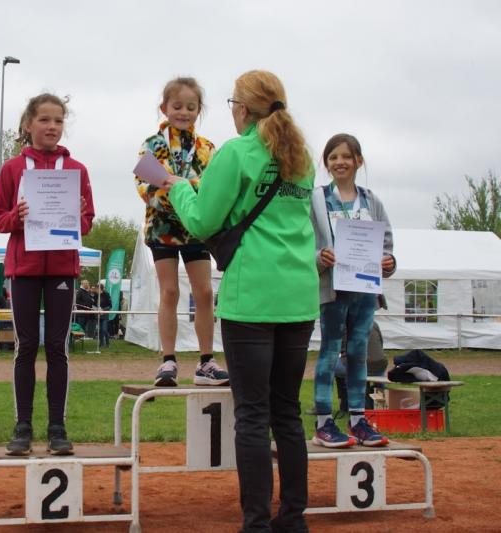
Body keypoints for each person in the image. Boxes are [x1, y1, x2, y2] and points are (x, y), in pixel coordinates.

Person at [166, 70, 319, 532]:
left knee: (252, 414)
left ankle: (256, 523)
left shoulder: (236, 152)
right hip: (298, 295)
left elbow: (202, 222)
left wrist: (176, 187)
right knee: (287, 413)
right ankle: (293, 518)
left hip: (251, 295)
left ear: (244, 109)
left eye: (233, 103)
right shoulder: (301, 156)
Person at [0, 93, 95, 456]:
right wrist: (16, 218)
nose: (52, 127)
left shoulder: (77, 169)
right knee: (25, 346)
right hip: (24, 268)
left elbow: (87, 224)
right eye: (45, 120)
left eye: (59, 121)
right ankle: (22, 427)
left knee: (57, 347)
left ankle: (57, 428)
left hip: (62, 268)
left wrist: (78, 215)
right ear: (28, 124)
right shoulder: (12, 169)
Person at [135, 76, 227, 388]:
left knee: (204, 292)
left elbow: (213, 187)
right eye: (177, 106)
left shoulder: (207, 148)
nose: (184, 112)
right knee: (170, 291)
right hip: (162, 228)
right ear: (164, 108)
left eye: (190, 107)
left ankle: (206, 361)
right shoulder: (153, 144)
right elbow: (144, 185)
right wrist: (182, 193)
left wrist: (179, 185)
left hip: (196, 227)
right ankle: (168, 360)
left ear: (199, 109)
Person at [310, 133, 396, 448]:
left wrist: (388, 262)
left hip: (364, 291)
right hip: (333, 290)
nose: (340, 162)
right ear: (326, 163)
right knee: (330, 351)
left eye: (346, 156)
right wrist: (319, 258)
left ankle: (358, 419)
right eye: (333, 157)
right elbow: (305, 241)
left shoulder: (371, 201)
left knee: (359, 353)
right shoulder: (317, 199)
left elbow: (386, 244)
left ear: (359, 161)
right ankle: (323, 422)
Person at [98, 282, 112, 347]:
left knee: (104, 329)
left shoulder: (106, 294)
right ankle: (101, 343)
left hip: (105, 315)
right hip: (98, 314)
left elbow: (110, 306)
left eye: (97, 288)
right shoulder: (97, 295)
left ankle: (107, 343)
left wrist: (103, 310)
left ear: (101, 288)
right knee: (100, 330)